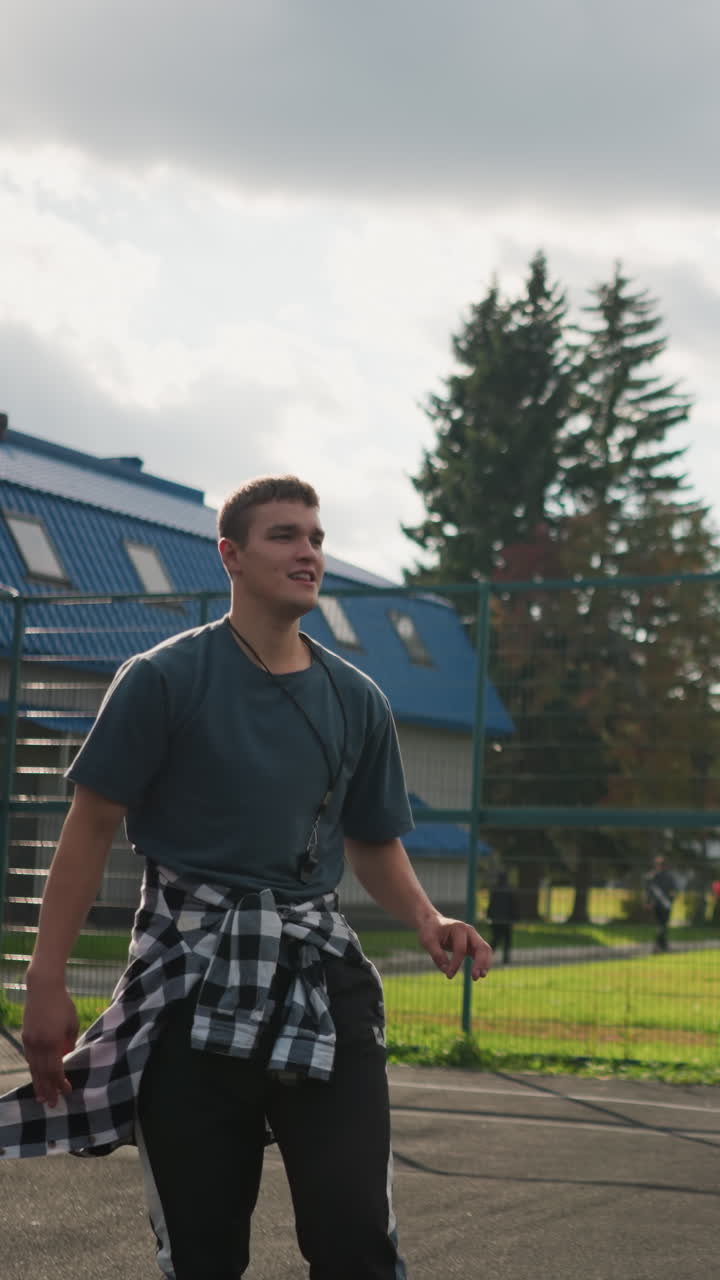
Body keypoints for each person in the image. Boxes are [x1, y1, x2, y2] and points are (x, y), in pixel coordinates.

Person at [0, 475, 492, 1280]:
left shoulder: (358, 697)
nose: (308, 552)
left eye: (317, 538)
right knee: (202, 1253)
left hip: (318, 980)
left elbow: (372, 840)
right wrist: (45, 979)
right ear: (230, 555)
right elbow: (88, 830)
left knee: (355, 1241)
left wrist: (427, 919)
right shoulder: (161, 679)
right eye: (284, 536)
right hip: (186, 985)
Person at [644, 854, 677, 953]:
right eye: (657, 864)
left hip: (666, 905)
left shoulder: (669, 877)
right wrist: (648, 902)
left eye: (661, 864)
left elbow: (673, 891)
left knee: (663, 925)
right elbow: (648, 891)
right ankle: (660, 946)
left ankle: (661, 945)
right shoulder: (651, 877)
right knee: (660, 925)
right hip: (656, 905)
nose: (659, 866)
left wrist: (671, 900)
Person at [486, 869, 517, 965]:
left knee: (495, 939)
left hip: (496, 919)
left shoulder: (495, 889)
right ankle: (506, 959)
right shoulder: (510, 889)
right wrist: (515, 917)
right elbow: (513, 905)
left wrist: (489, 915)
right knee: (507, 940)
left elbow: (491, 904)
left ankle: (487, 957)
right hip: (507, 920)